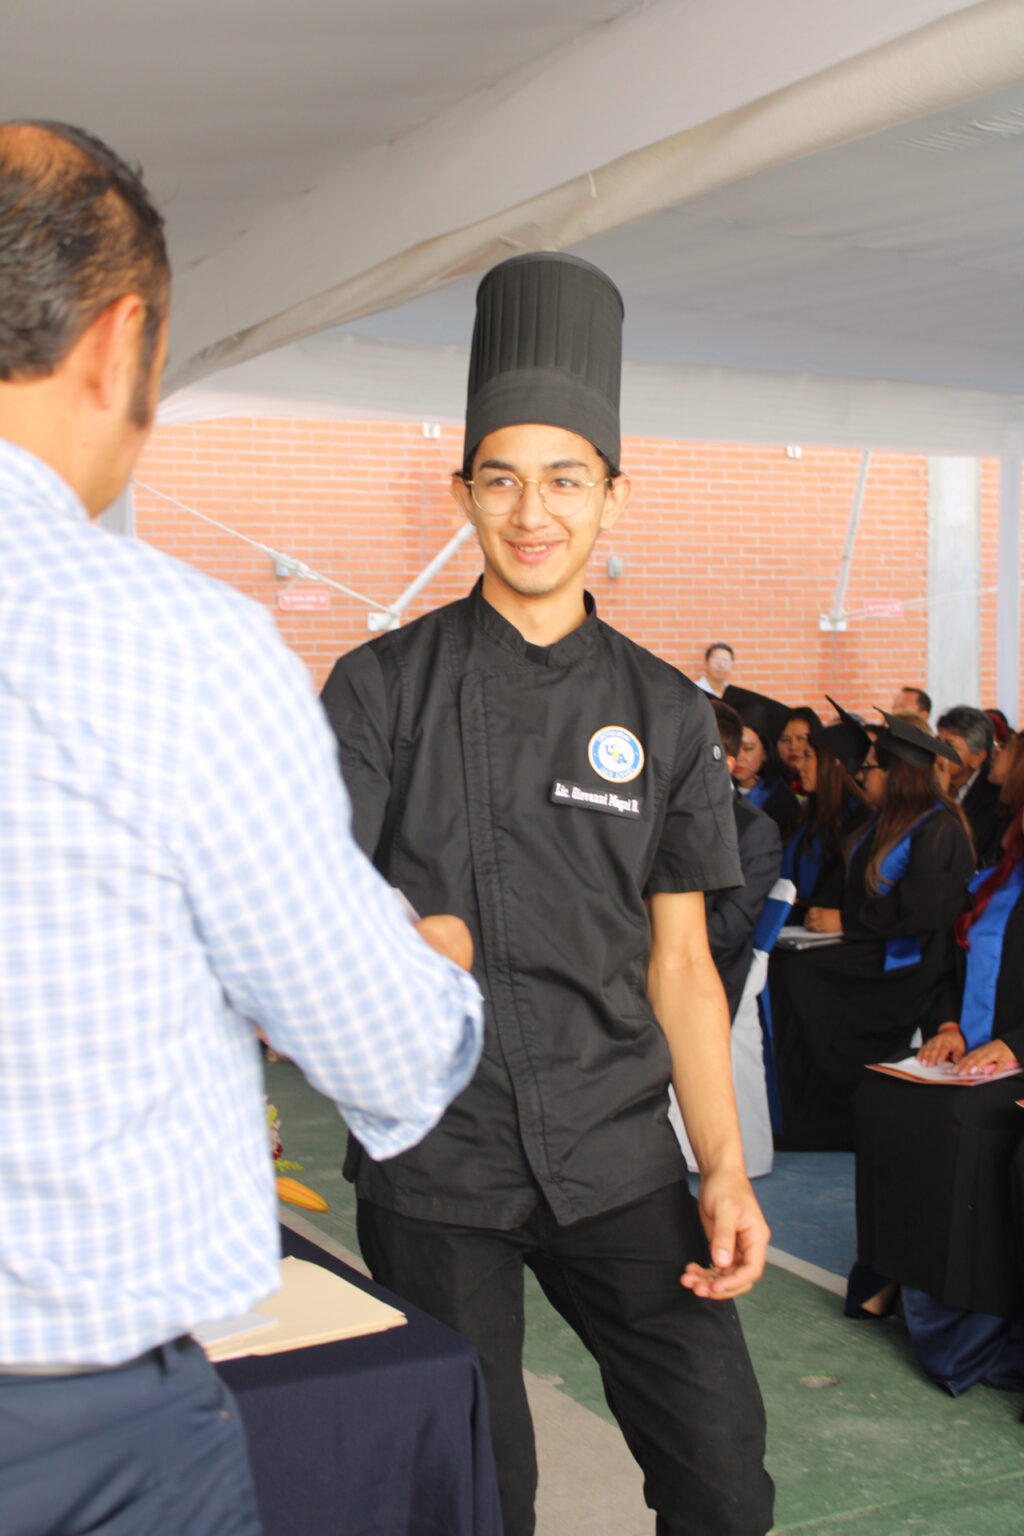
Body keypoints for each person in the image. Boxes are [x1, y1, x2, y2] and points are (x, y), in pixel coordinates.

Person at [0, 121, 484, 1536]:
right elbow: (379, 1042)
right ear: (119, 342)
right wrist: (428, 966)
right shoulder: (170, 648)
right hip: (84, 1432)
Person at [321, 251, 774, 1536]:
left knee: (724, 1480)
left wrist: (724, 1170)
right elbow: (309, 910)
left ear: (613, 497)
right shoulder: (377, 688)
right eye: (503, 479)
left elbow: (682, 967)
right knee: (476, 1495)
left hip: (619, 1149)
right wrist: (400, 941)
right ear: (464, 492)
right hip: (437, 1159)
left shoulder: (668, 715)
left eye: (565, 480)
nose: (533, 513)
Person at [847, 738, 1024, 1394]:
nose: (1002, 793)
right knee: (884, 1098)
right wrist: (948, 1024)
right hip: (970, 1048)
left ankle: (954, 1323)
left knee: (955, 1120)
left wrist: (1016, 1044)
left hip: (1012, 1060)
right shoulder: (1003, 871)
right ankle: (892, 1275)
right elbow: (953, 958)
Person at [769, 712, 973, 1149]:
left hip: (913, 961)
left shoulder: (939, 827)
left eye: (871, 767)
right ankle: (802, 1118)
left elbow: (925, 910)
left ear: (898, 773)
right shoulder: (881, 821)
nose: (863, 775)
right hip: (877, 944)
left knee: (803, 980)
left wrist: (849, 921)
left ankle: (834, 1122)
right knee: (787, 968)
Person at [705, 698, 782, 1022]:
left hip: (711, 976)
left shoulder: (754, 830)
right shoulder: (661, 813)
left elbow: (726, 930)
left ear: (725, 761)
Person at [780, 698, 871, 922]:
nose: (800, 767)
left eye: (808, 757)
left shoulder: (860, 819)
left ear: (833, 763)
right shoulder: (806, 814)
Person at [725, 684, 801, 837]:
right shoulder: (723, 791)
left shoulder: (782, 800)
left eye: (748, 748)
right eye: (735, 748)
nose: (739, 757)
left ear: (765, 753)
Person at [936, 704, 1002, 868]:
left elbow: (966, 849)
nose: (938, 752)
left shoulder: (993, 797)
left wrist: (941, 798)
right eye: (937, 742)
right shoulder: (929, 780)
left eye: (950, 746)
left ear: (977, 758)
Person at [777, 705, 824, 788]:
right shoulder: (768, 789)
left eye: (801, 738)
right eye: (785, 740)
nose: (793, 747)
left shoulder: (831, 787)